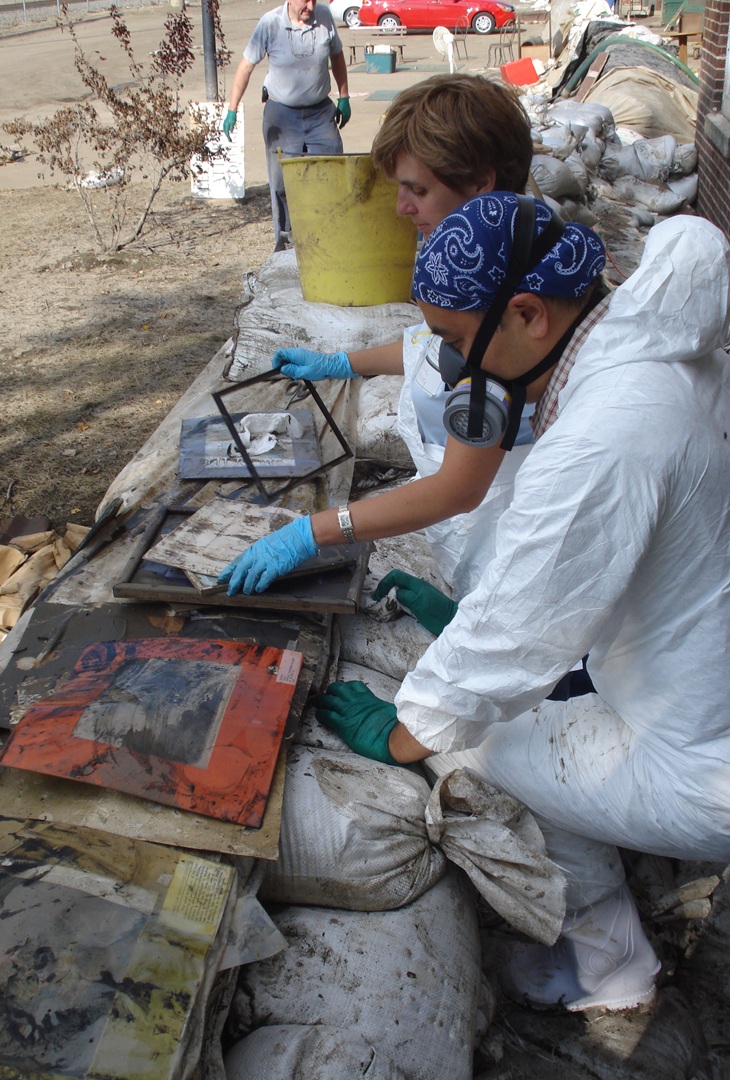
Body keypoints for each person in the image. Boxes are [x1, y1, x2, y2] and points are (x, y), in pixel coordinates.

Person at [315, 192, 730, 1013]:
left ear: (530, 315)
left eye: (458, 345)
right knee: (529, 706)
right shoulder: (658, 347)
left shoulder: (603, 433)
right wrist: (468, 624)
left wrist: (405, 734)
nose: (455, 372)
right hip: (700, 675)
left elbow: (514, 638)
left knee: (479, 744)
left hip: (705, 761)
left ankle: (608, 965)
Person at [219, 75, 537, 599]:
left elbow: (459, 486)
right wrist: (340, 363)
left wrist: (313, 531)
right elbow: (434, 349)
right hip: (484, 551)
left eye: (418, 189)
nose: (401, 208)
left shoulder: (514, 310)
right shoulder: (487, 272)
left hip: (520, 567)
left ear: (480, 183)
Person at [223, 0, 351, 251]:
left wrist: (344, 96)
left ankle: (329, 241)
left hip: (320, 113)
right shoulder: (270, 24)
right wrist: (232, 108)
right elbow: (246, 66)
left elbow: (336, 56)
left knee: (331, 174)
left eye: (314, 0)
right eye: (305, 0)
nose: (310, 6)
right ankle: (286, 246)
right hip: (282, 115)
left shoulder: (324, 17)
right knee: (282, 184)